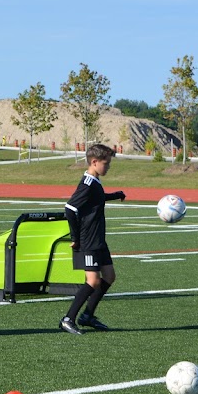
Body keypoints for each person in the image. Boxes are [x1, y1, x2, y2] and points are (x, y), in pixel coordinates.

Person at [60, 143, 126, 335]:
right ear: (94, 162)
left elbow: (97, 198)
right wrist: (76, 237)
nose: (109, 167)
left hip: (98, 239)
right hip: (88, 240)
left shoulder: (95, 182)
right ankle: (68, 319)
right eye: (106, 163)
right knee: (93, 281)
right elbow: (70, 209)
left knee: (110, 276)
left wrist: (116, 195)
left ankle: (88, 315)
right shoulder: (87, 183)